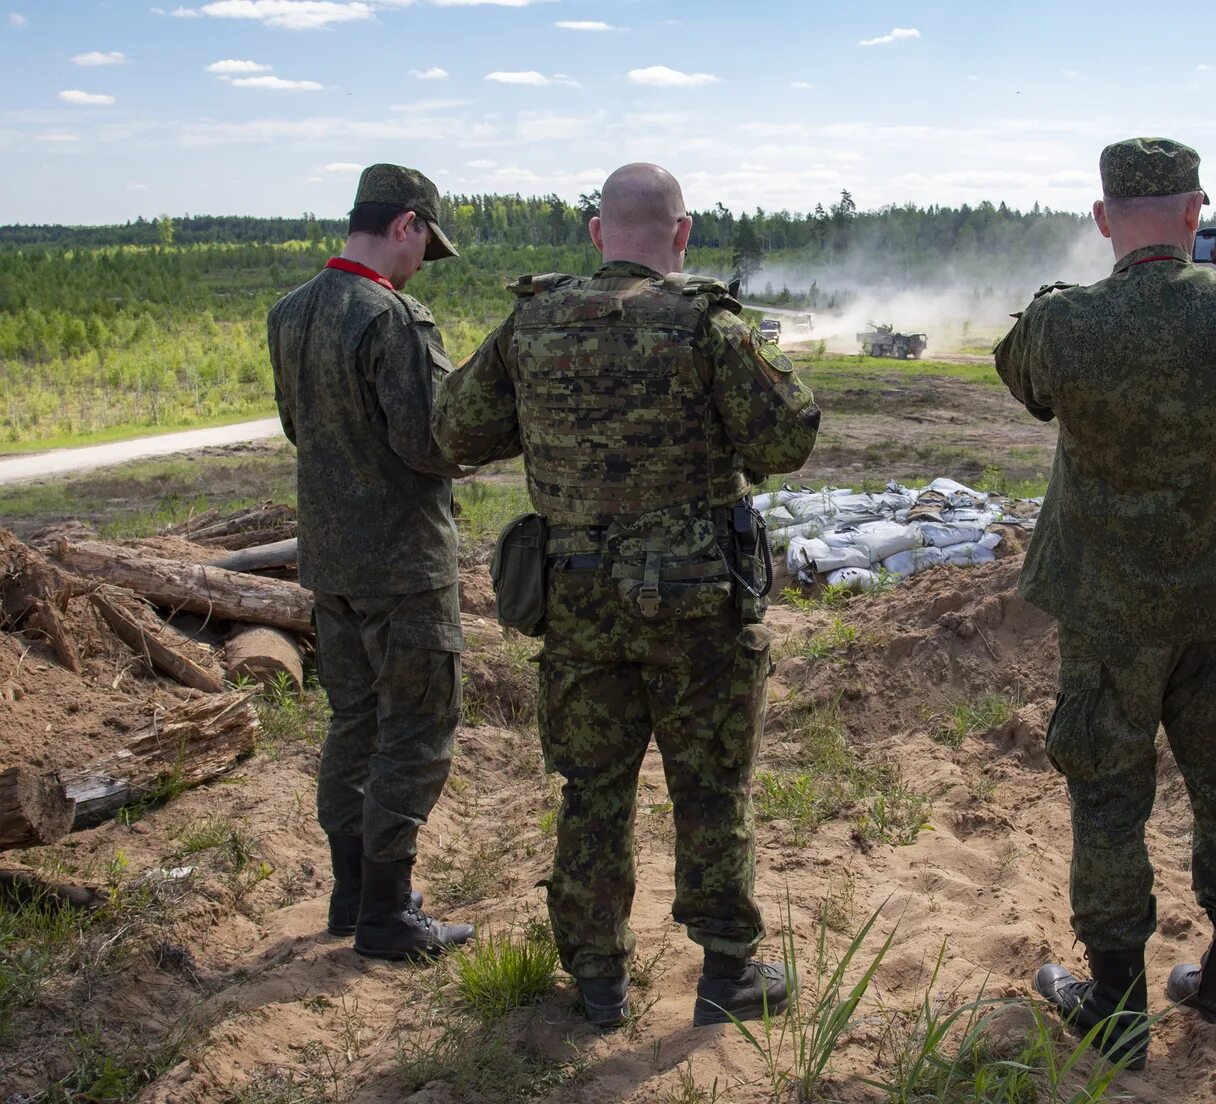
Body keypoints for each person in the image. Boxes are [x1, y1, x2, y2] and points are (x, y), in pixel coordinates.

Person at [431, 163, 820, 1028]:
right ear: (681, 236)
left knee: (592, 790)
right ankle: (727, 973)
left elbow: (455, 428)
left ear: (597, 233)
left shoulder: (532, 323)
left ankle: (598, 982)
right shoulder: (709, 326)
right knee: (713, 788)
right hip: (697, 609)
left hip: (577, 606)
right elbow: (788, 437)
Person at [994, 137, 1216, 1065]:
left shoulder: (1069, 322)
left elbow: (1018, 370)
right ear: (1198, 217)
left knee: (1108, 802)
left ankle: (1115, 1011)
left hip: (1108, 617)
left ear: (1102, 221)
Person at [268, 163, 475, 961]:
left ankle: (352, 895)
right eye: (426, 244)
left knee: (352, 722)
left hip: (329, 564)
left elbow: (297, 426)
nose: (423, 263)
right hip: (406, 568)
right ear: (406, 226)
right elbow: (430, 446)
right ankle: (388, 915)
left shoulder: (290, 312)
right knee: (417, 731)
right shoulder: (393, 320)